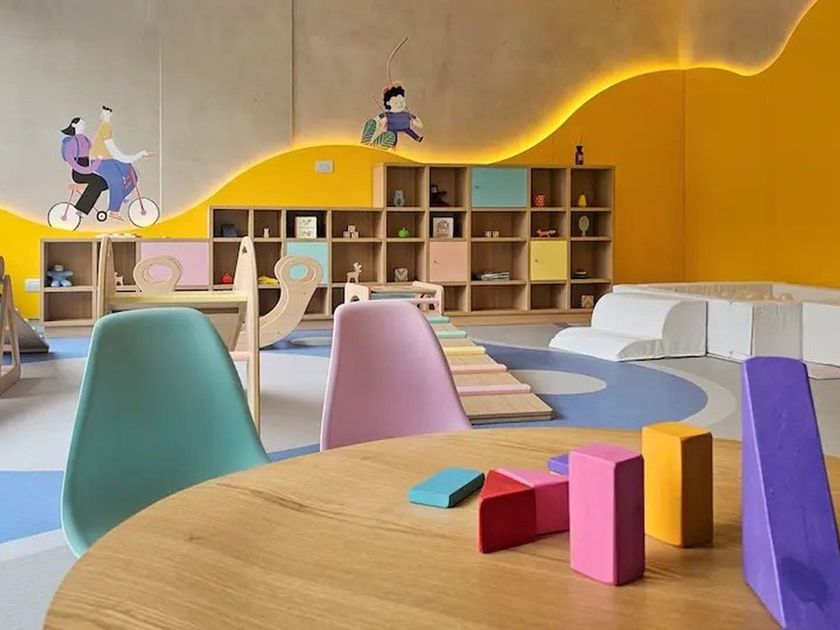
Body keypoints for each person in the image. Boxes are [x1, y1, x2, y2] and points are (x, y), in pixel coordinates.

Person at [91, 106, 150, 221]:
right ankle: (113, 211)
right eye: (104, 114)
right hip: (100, 161)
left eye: (108, 114)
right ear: (101, 116)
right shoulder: (105, 126)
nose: (106, 116)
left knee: (132, 174)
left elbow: (114, 153)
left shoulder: (108, 126)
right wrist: (138, 155)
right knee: (117, 181)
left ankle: (119, 197)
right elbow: (116, 153)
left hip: (109, 158)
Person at [60, 118, 107, 218]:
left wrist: (100, 159)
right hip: (78, 173)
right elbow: (71, 162)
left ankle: (82, 208)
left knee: (104, 182)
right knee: (99, 182)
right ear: (74, 125)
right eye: (81, 124)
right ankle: (81, 209)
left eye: (84, 124)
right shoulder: (70, 142)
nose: (84, 126)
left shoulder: (85, 139)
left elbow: (95, 150)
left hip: (87, 170)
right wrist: (89, 169)